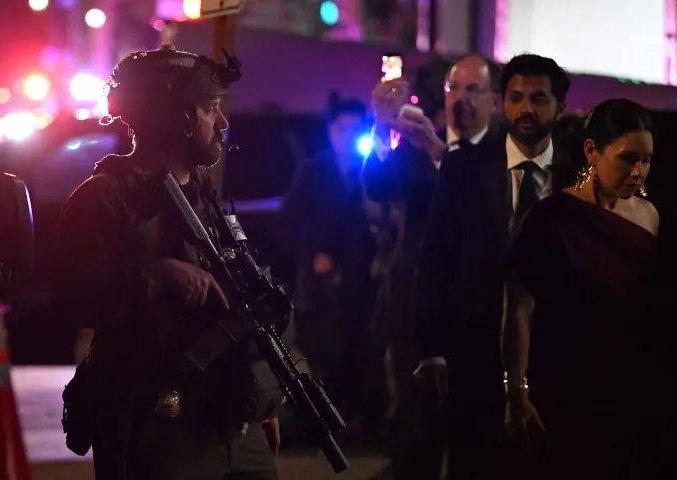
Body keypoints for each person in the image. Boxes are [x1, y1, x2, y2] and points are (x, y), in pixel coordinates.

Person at [48, 45, 286, 480]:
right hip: (158, 424)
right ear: (173, 117)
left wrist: (258, 399)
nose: (222, 122)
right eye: (210, 109)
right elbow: (73, 297)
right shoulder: (105, 197)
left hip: (234, 423)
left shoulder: (204, 195)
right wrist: (157, 276)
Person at [412, 53, 571, 479]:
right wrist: (432, 348)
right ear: (502, 103)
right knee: (473, 461)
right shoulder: (464, 164)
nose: (526, 109)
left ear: (560, 107)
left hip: (556, 351)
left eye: (538, 98)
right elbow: (436, 258)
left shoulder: (577, 173)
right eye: (516, 98)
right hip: (475, 347)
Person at [503, 99, 659, 479]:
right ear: (592, 151)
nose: (638, 172)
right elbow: (518, 308)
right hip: (564, 385)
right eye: (627, 159)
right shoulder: (551, 219)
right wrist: (517, 391)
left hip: (631, 386)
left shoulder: (649, 216)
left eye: (646, 160)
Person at [363, 52, 500, 480]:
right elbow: (378, 185)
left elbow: (483, 207)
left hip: (479, 311)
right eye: (453, 89)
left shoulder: (500, 151)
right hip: (417, 304)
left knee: (473, 438)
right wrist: (381, 124)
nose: (462, 100)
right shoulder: (424, 141)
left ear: (494, 101)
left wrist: (436, 151)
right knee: (416, 422)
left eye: (473, 90)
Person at [274, 93, 378, 438]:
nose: (348, 136)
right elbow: (286, 224)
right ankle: (330, 422)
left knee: (362, 351)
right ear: (331, 132)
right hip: (322, 285)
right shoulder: (314, 171)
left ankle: (362, 421)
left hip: (364, 280)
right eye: (342, 128)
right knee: (326, 353)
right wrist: (312, 256)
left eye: (355, 129)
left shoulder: (373, 170)